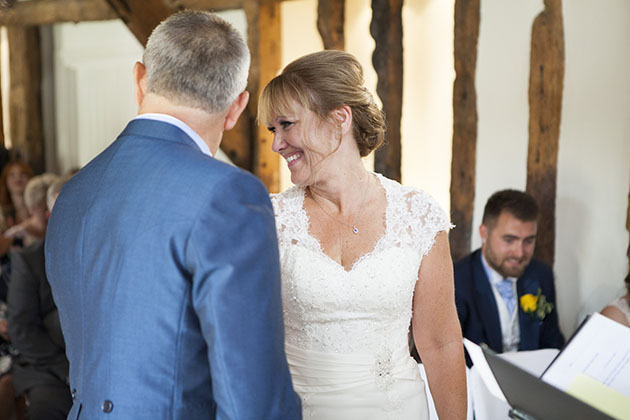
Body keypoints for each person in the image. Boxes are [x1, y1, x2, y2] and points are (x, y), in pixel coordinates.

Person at [45, 11, 300, 419]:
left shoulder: (74, 193)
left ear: (140, 79)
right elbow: (251, 394)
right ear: (237, 107)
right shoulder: (230, 193)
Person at [258, 50, 466, 420]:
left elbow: (440, 343)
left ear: (338, 119)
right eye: (273, 130)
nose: (277, 144)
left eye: (286, 125)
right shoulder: (269, 219)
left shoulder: (417, 215)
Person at [454, 189, 565, 360]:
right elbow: (451, 356)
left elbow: (553, 344)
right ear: (484, 233)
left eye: (528, 241)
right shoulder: (457, 281)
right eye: (509, 240)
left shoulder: (541, 275)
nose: (519, 253)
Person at [7, 174, 71, 420]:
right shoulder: (30, 260)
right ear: (49, 216)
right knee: (48, 407)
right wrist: (68, 370)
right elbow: (22, 329)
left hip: (93, 366)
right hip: (47, 366)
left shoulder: (102, 255)